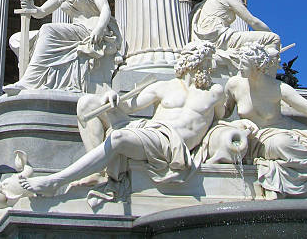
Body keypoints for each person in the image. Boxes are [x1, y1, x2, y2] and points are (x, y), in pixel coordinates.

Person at [17, 41, 224, 196]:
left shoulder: (215, 92)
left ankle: (55, 181)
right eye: (206, 62)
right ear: (192, 63)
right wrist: (110, 96)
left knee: (119, 138)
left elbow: (220, 121)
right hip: (149, 130)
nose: (209, 67)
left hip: (170, 143)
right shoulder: (164, 86)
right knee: (88, 103)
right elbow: (128, 106)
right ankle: (97, 173)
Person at [4, 0, 120, 93]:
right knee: (17, 39)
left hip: (92, 30)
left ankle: (29, 81)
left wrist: (100, 29)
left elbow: (105, 9)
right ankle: (41, 78)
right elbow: (41, 12)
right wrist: (31, 7)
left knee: (48, 29)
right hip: (76, 30)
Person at [224, 42, 307, 198]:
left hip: (286, 128)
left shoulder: (278, 88)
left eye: (243, 63)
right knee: (282, 143)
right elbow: (222, 114)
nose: (239, 67)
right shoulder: (233, 85)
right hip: (260, 137)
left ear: (257, 66)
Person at [191, 0, 281, 54]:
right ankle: (266, 70)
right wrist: (270, 33)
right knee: (273, 38)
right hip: (219, 37)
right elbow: (252, 21)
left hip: (209, 35)